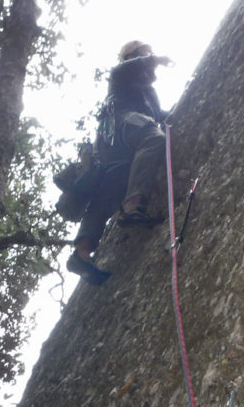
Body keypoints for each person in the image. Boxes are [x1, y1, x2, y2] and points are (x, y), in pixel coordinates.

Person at [66, 40, 172, 284]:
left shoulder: (148, 93)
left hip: (114, 144)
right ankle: (134, 206)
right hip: (123, 123)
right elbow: (125, 69)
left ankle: (81, 253)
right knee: (153, 138)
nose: (150, 59)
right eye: (146, 54)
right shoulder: (122, 74)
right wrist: (156, 59)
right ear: (133, 56)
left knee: (111, 190)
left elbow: (159, 114)